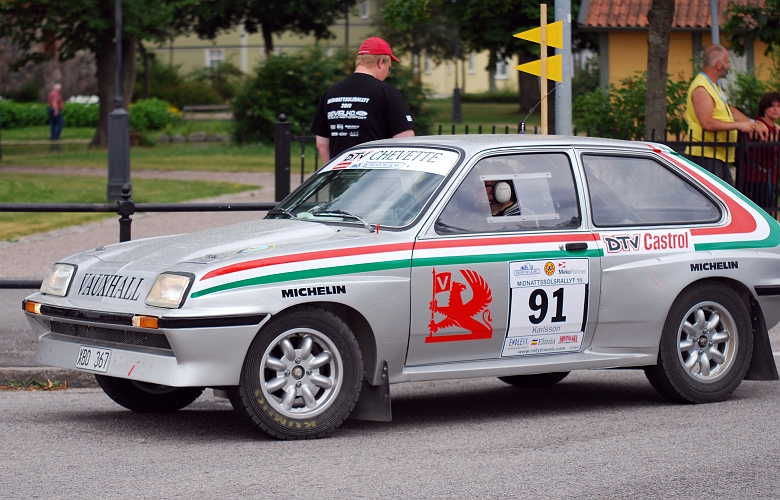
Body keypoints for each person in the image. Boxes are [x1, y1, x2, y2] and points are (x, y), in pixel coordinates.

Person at [311, 37, 415, 162]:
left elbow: (322, 144)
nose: (387, 73)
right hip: (376, 177)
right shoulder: (387, 93)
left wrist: (332, 173)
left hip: (340, 176)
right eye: (389, 67)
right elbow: (404, 140)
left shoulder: (331, 93)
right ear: (381, 62)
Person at [685, 44, 768, 184]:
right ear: (719, 65)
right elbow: (707, 123)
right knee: (714, 202)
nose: (729, 65)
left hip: (717, 155)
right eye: (727, 62)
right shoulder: (701, 87)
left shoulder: (712, 86)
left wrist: (753, 123)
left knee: (726, 199)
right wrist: (739, 126)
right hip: (706, 155)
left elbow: (729, 111)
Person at [744, 92, 780, 208]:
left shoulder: (776, 129)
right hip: (755, 178)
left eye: (778, 106)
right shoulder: (758, 125)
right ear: (764, 108)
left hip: (770, 178)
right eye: (772, 106)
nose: (776, 109)